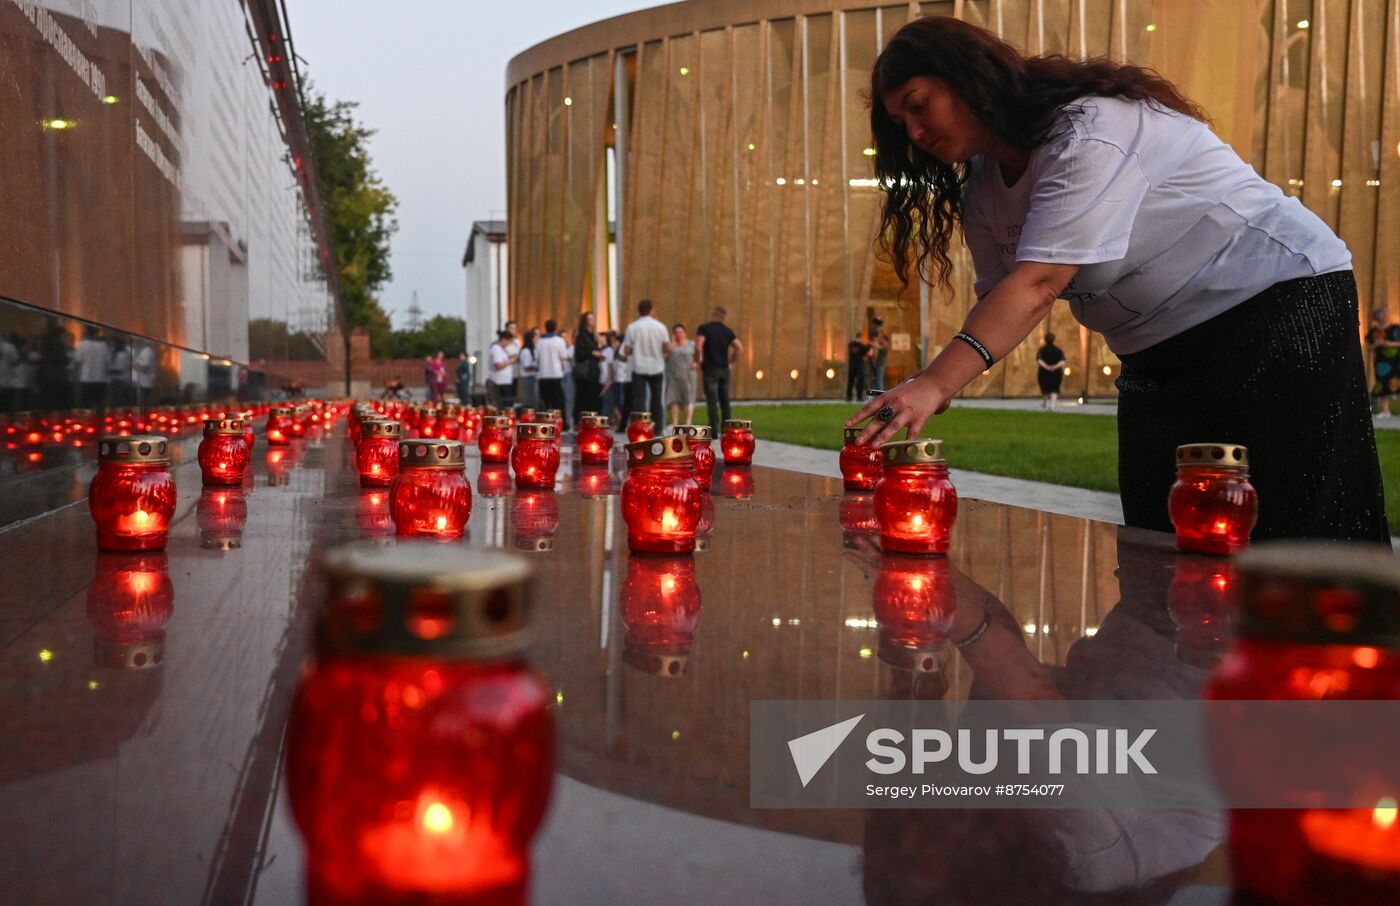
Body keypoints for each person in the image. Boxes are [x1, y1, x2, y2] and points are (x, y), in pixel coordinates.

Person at [849, 17, 1389, 544]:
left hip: (1275, 304)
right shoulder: (983, 188)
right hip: (1155, 348)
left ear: (968, 77)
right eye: (900, 122)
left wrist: (936, 384)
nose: (914, 133)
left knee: (1290, 524)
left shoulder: (1087, 131)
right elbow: (1001, 299)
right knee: (1162, 526)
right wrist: (934, 383)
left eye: (919, 105)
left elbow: (1039, 284)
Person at [622, 299, 670, 430]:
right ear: (651, 310)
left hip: (639, 367)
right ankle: (658, 428)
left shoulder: (632, 327)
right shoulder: (660, 327)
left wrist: (635, 350)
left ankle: (640, 427)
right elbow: (667, 348)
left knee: (639, 399)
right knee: (657, 399)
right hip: (657, 366)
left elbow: (627, 350)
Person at [695, 306, 742, 431]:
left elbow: (699, 346)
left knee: (712, 400)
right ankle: (727, 429)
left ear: (712, 314)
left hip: (710, 369)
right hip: (724, 369)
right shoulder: (727, 331)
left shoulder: (704, 328)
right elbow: (739, 347)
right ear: (723, 317)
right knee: (725, 400)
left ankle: (713, 429)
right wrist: (731, 363)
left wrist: (699, 361)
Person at [1366, 306, 1399, 417]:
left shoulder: (1395, 328)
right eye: (1382, 314)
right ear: (1377, 317)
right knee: (1383, 382)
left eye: (1385, 313)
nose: (1385, 316)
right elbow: (1369, 346)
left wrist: (1389, 344)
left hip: (1395, 361)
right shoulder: (1373, 331)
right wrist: (1376, 344)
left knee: (1397, 381)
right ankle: (1386, 411)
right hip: (1381, 362)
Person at [535, 320, 571, 423]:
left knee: (545, 401)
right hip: (556, 374)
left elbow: (537, 358)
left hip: (543, 375)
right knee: (558, 401)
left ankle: (544, 422)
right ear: (555, 328)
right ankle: (560, 422)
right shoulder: (559, 341)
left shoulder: (540, 342)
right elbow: (563, 356)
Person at [572, 311, 604, 423]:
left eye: (593, 318)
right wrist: (592, 353)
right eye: (590, 319)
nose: (593, 321)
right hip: (586, 372)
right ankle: (580, 420)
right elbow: (579, 354)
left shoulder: (593, 336)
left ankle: (591, 420)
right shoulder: (581, 336)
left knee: (593, 396)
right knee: (583, 397)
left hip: (593, 371)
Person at [665, 322, 697, 427]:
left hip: (688, 374)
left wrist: (696, 363)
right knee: (673, 397)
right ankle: (675, 422)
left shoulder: (691, 344)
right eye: (676, 332)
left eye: (681, 332)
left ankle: (688, 421)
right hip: (673, 374)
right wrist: (672, 342)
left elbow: (699, 355)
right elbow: (665, 356)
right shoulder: (671, 345)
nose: (679, 334)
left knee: (689, 396)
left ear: (684, 332)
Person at [74, 324, 111, 413]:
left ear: (87, 332)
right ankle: (99, 420)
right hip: (100, 379)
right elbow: (108, 362)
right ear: (97, 333)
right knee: (99, 405)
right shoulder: (104, 346)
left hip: (86, 378)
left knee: (86, 406)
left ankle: (88, 420)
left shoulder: (83, 344)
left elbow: (77, 360)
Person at [486, 329, 517, 408]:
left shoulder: (502, 349)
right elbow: (498, 365)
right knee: (504, 405)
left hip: (505, 381)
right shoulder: (496, 349)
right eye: (508, 341)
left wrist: (509, 359)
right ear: (503, 339)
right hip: (500, 382)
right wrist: (510, 361)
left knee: (508, 404)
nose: (508, 344)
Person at [1036, 332, 1066, 410]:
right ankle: (1052, 405)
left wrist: (1047, 367)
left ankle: (1045, 403)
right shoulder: (1058, 350)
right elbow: (1062, 361)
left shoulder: (1042, 350)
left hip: (1044, 372)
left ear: (1045, 339)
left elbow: (1039, 360)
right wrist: (1055, 367)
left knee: (1044, 387)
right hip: (1056, 372)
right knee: (1055, 388)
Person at [846, 331, 871, 402]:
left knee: (850, 381)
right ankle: (859, 397)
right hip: (859, 366)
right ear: (860, 338)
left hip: (851, 365)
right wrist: (869, 344)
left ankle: (848, 397)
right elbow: (866, 351)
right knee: (860, 382)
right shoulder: (861, 346)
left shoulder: (850, 345)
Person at [518, 328, 540, 409]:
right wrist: (536, 367)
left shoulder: (533, 350)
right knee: (528, 398)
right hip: (527, 377)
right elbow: (526, 366)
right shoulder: (525, 351)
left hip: (531, 377)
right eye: (535, 338)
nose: (536, 340)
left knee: (532, 397)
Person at [869, 317, 891, 391]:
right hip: (879, 364)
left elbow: (877, 346)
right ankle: (877, 393)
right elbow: (879, 340)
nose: (882, 341)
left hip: (880, 365)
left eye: (883, 340)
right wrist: (878, 331)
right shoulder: (884, 344)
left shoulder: (885, 346)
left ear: (886, 341)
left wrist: (870, 343)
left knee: (879, 380)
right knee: (877, 379)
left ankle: (880, 393)